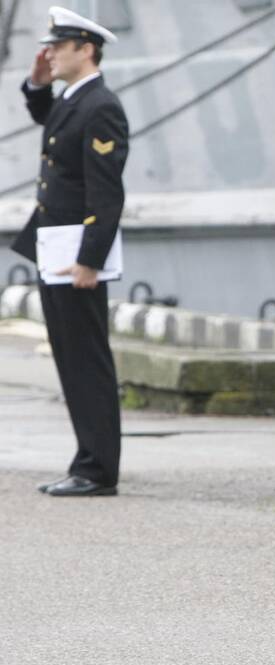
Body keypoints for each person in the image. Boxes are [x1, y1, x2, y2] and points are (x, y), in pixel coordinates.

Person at [13, 7, 126, 497]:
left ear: (86, 49)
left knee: (87, 362)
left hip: (74, 255)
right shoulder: (73, 100)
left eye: (58, 47)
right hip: (54, 248)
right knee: (70, 360)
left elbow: (107, 193)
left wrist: (91, 261)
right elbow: (51, 122)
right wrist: (37, 85)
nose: (49, 53)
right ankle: (86, 460)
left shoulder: (100, 105)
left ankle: (98, 470)